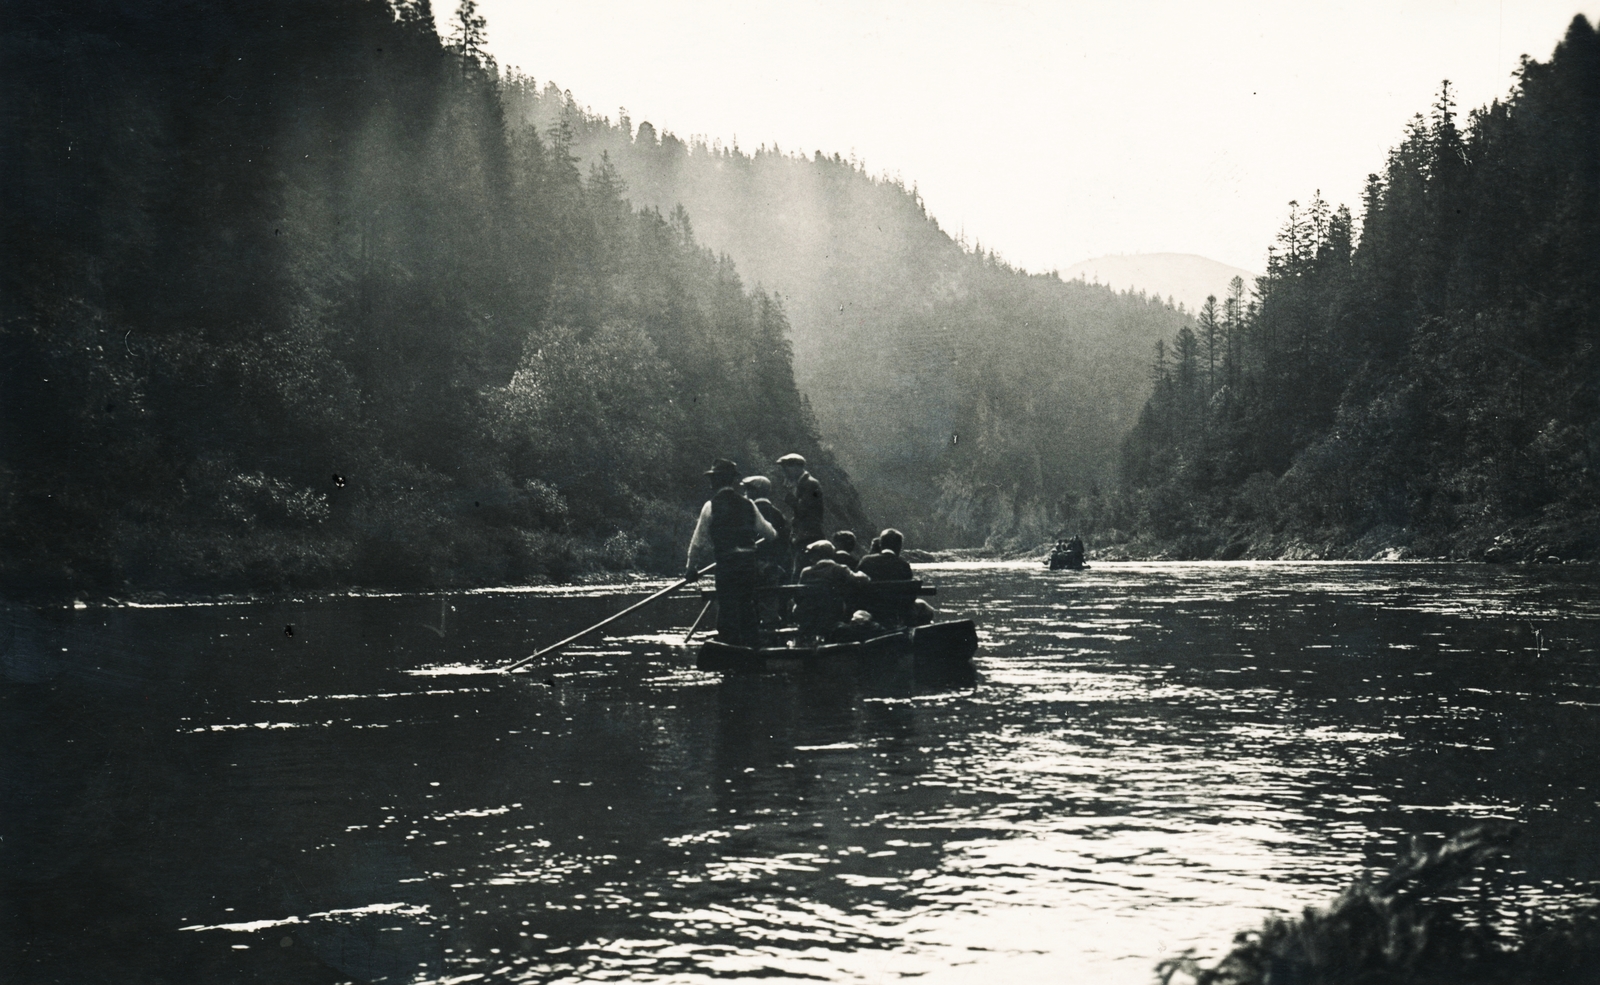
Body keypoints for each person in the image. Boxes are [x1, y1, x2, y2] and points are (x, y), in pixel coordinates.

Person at [685, 459, 776, 648]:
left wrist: (691, 569)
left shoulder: (711, 506)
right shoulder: (749, 505)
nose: (711, 482)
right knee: (746, 605)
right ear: (733, 481)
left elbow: (697, 543)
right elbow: (771, 534)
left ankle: (730, 648)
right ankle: (751, 646)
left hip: (727, 564)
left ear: (716, 481)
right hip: (747, 563)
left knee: (727, 606)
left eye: (713, 478)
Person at [857, 528, 936, 626]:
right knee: (925, 608)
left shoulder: (866, 561)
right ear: (899, 546)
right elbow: (909, 597)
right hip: (896, 611)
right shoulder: (903, 565)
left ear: (881, 544)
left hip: (870, 609)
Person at [795, 539, 868, 641]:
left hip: (809, 614)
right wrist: (861, 574)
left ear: (816, 556)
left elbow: (799, 594)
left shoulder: (806, 572)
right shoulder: (840, 569)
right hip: (832, 614)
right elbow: (860, 580)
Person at [778, 453, 825, 561]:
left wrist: (789, 497)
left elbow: (804, 509)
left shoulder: (810, 484)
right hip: (803, 533)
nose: (784, 472)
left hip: (809, 534)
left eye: (786, 468)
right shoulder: (802, 483)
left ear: (796, 467)